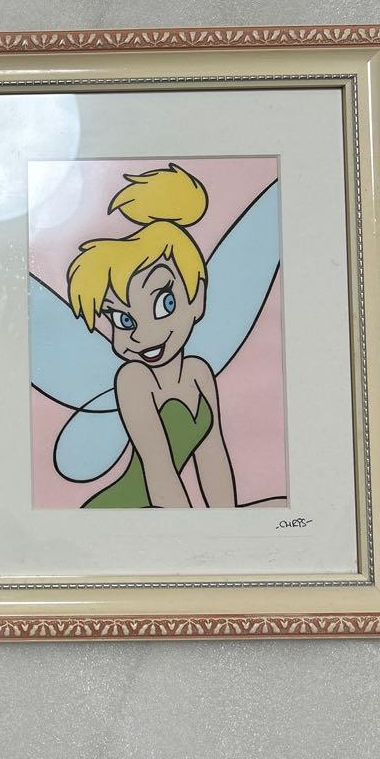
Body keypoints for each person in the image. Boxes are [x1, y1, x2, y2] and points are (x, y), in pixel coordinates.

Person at [66, 164, 235, 508]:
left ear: (197, 298)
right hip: (127, 512)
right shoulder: (135, 379)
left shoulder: (199, 373)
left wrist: (234, 526)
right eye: (123, 319)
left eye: (164, 303)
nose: (143, 334)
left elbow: (213, 458)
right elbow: (159, 475)